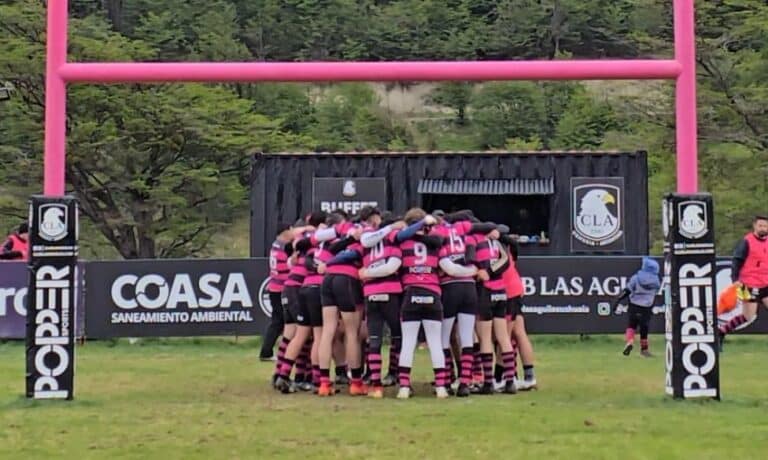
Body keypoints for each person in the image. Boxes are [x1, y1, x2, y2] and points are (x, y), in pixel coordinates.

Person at [718, 215, 768, 341]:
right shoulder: (747, 241)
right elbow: (736, 261)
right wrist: (735, 280)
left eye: (765, 226)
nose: (763, 228)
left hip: (765, 282)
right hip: (747, 284)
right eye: (760, 225)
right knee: (748, 316)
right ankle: (721, 332)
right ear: (755, 226)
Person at [612, 257, 661, 357]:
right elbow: (656, 291)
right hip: (646, 307)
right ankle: (644, 350)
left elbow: (627, 290)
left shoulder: (636, 278)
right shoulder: (656, 281)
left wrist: (617, 300)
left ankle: (629, 341)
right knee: (644, 328)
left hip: (634, 305)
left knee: (631, 325)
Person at [260, 222, 294, 362]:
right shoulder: (283, 247)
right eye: (291, 230)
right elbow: (288, 268)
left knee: (278, 321)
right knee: (279, 321)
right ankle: (266, 352)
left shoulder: (276, 245)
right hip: (280, 289)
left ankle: (267, 351)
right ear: (285, 232)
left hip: (274, 287)